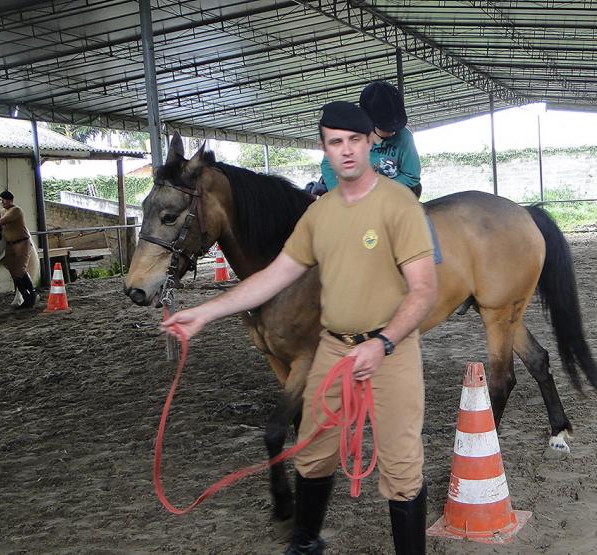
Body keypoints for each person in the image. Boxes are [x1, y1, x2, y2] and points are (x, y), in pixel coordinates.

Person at [162, 101, 437, 555]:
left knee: (402, 468)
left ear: (369, 144)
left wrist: (384, 342)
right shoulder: (318, 214)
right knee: (311, 453)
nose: (346, 150)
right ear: (325, 149)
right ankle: (305, 544)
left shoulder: (398, 205)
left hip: (390, 348)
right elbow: (275, 276)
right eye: (335, 142)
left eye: (354, 141)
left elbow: (424, 291)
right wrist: (207, 312)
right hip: (333, 347)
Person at [320, 81, 422, 198]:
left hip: (389, 194)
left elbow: (411, 175)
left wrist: (378, 190)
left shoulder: (405, 137)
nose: (393, 132)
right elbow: (328, 164)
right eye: (386, 128)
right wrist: (340, 193)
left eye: (396, 128)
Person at [0, 190, 37, 308]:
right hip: (10, 244)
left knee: (20, 270)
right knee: (13, 271)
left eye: (4, 200)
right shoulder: (3, 210)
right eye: (1, 200)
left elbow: (1, 221)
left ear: (10, 200)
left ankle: (31, 296)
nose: (2, 202)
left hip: (21, 243)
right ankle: (26, 296)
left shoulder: (16, 210)